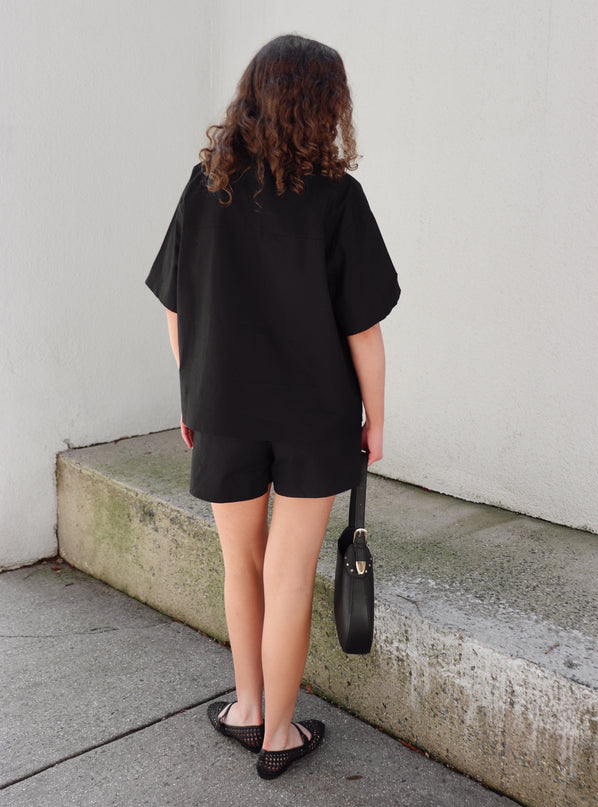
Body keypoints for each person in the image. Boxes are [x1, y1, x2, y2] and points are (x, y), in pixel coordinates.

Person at [145, 33, 400, 780]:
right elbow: (365, 330)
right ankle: (282, 733)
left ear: (252, 97)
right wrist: (375, 419)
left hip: (222, 405)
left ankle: (249, 708)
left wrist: (193, 389)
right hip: (315, 415)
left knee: (241, 563)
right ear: (327, 108)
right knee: (289, 572)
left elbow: (175, 307)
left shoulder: (207, 186)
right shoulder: (338, 199)